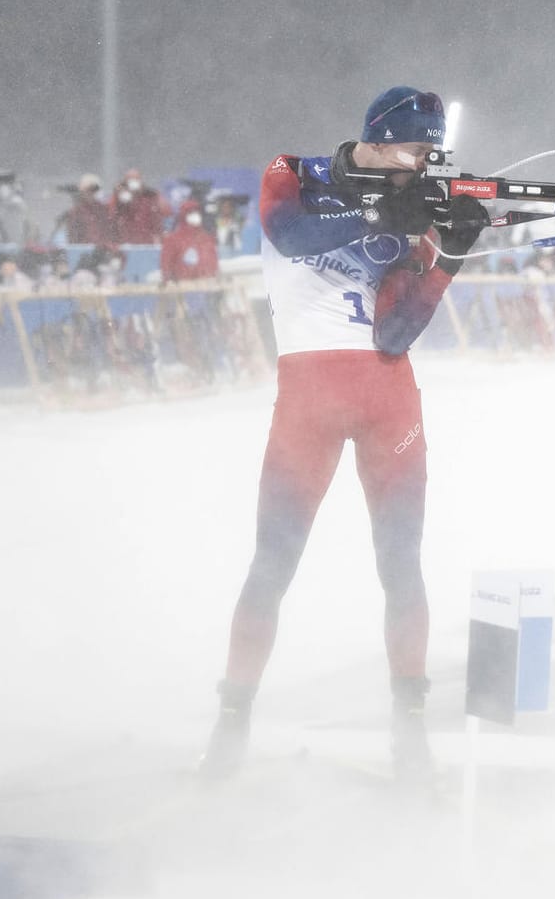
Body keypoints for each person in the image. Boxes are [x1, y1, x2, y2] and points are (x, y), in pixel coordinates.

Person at [199, 85, 487, 783]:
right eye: (416, 150)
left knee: (401, 565)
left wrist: (447, 253)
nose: (422, 166)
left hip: (388, 398)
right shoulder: (293, 173)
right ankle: (231, 723)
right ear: (381, 137)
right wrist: (380, 211)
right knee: (272, 567)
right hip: (309, 399)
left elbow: (396, 330)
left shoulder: (413, 204)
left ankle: (410, 732)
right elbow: (289, 235)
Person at [159, 200, 219, 283]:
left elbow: (214, 263)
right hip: (182, 289)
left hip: (206, 287)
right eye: (191, 212)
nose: (196, 215)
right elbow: (166, 265)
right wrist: (168, 281)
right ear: (183, 216)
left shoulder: (206, 238)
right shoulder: (173, 240)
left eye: (197, 212)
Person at [109, 168, 168, 244]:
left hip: (146, 241)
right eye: (130, 180)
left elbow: (158, 218)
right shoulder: (119, 198)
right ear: (125, 182)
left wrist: (158, 236)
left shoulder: (149, 197)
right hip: (126, 241)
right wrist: (118, 195)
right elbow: (112, 215)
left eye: (136, 179)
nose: (133, 183)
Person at [62, 174, 113, 245]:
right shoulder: (76, 211)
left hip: (103, 250)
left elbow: (110, 232)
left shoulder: (104, 209)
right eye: (90, 190)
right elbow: (73, 236)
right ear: (83, 192)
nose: (92, 193)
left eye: (95, 190)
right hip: (85, 252)